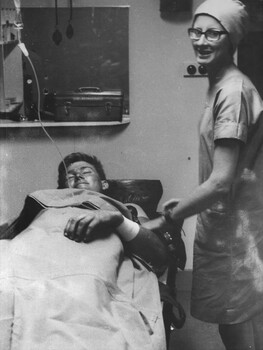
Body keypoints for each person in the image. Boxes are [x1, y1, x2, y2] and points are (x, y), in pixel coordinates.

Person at [143, 1, 263, 349]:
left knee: (234, 320)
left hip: (234, 227)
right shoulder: (221, 84)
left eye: (213, 33)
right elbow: (228, 167)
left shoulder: (232, 91)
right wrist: (192, 201)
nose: (201, 40)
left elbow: (222, 180)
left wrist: (166, 219)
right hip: (231, 218)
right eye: (196, 31)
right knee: (243, 314)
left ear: (233, 38)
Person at [0, 152, 168, 350]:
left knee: (81, 293)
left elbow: (157, 252)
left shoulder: (129, 208)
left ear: (104, 184)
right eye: (70, 176)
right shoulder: (45, 204)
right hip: (32, 247)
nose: (78, 176)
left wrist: (118, 221)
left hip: (88, 254)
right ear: (61, 189)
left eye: (86, 171)